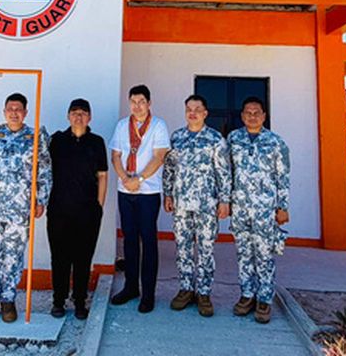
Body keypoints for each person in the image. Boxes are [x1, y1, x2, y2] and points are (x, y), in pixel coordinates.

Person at [0, 92, 51, 324]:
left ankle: (8, 301)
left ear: (25, 112)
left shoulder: (34, 138)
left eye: (18, 109)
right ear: (4, 112)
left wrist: (40, 199)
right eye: (9, 109)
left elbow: (44, 171)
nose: (14, 112)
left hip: (19, 210)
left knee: (13, 256)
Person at [163, 94, 231, 317]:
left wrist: (224, 201)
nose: (192, 112)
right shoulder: (177, 138)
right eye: (188, 109)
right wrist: (168, 194)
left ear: (205, 113)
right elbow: (170, 169)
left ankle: (203, 293)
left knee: (205, 249)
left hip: (206, 204)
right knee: (182, 247)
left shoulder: (215, 139)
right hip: (182, 203)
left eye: (197, 109)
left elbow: (223, 172)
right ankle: (185, 289)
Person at [227, 96, 290, 324]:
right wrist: (226, 201)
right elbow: (227, 174)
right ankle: (247, 295)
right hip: (240, 208)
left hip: (265, 209)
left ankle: (264, 299)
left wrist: (283, 206)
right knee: (244, 253)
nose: (252, 116)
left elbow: (283, 177)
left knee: (264, 254)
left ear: (264, 116)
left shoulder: (275, 142)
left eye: (256, 112)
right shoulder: (233, 139)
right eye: (248, 112)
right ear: (242, 116)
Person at [109, 84, 170, 313]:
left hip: (148, 192)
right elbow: (115, 155)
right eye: (133, 102)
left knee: (149, 241)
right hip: (126, 191)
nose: (137, 106)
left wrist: (140, 179)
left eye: (141, 101)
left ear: (149, 103)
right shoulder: (122, 125)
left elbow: (159, 156)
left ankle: (148, 293)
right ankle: (130, 287)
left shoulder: (158, 125)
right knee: (130, 241)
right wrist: (125, 178)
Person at [47, 98, 108, 320]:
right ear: (68, 116)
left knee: (83, 258)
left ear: (89, 117)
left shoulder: (97, 142)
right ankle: (58, 301)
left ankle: (80, 301)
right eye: (74, 112)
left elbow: (102, 176)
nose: (78, 116)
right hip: (59, 210)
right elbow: (43, 172)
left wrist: (99, 206)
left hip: (87, 211)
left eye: (83, 112)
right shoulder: (57, 141)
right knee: (60, 257)